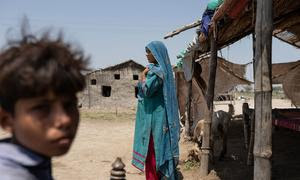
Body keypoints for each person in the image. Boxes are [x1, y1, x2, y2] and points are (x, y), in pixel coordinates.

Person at [0, 29, 88, 180]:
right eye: (42, 108)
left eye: (69, 105)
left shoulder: (35, 161)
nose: (65, 120)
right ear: (7, 120)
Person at [132, 41, 180, 180]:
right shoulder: (164, 71)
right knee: (161, 150)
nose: (146, 54)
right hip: (162, 118)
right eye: (146, 51)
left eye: (149, 52)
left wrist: (142, 76)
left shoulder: (156, 72)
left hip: (155, 121)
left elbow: (147, 91)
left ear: (157, 54)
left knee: (153, 152)